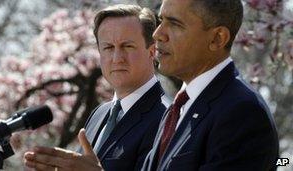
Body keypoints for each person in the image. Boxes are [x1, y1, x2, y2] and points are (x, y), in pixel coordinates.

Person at [24, 4, 170, 171]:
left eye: (127, 46)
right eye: (108, 48)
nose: (117, 58)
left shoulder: (168, 117)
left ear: (152, 51)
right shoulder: (99, 114)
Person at [141, 0, 279, 170]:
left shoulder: (241, 113)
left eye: (175, 23)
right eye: (161, 21)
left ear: (217, 38)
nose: (157, 34)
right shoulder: (177, 109)